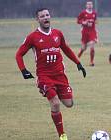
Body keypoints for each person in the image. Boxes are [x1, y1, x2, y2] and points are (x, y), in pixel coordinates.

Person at [15, 8, 86, 140]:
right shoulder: (32, 37)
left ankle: (52, 90)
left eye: (47, 15)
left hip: (60, 75)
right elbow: (19, 54)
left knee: (69, 104)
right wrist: (23, 70)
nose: (45, 18)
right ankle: (62, 135)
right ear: (38, 19)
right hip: (44, 76)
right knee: (55, 103)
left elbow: (65, 48)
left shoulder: (57, 33)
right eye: (42, 16)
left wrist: (78, 63)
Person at [77, 0, 97, 66]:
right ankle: (78, 56)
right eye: (88, 4)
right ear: (86, 5)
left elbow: (94, 23)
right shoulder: (83, 13)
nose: (89, 5)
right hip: (85, 32)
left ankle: (91, 62)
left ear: (92, 5)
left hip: (92, 32)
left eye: (91, 4)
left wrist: (96, 33)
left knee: (92, 46)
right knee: (84, 48)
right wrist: (83, 22)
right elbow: (78, 21)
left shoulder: (94, 13)